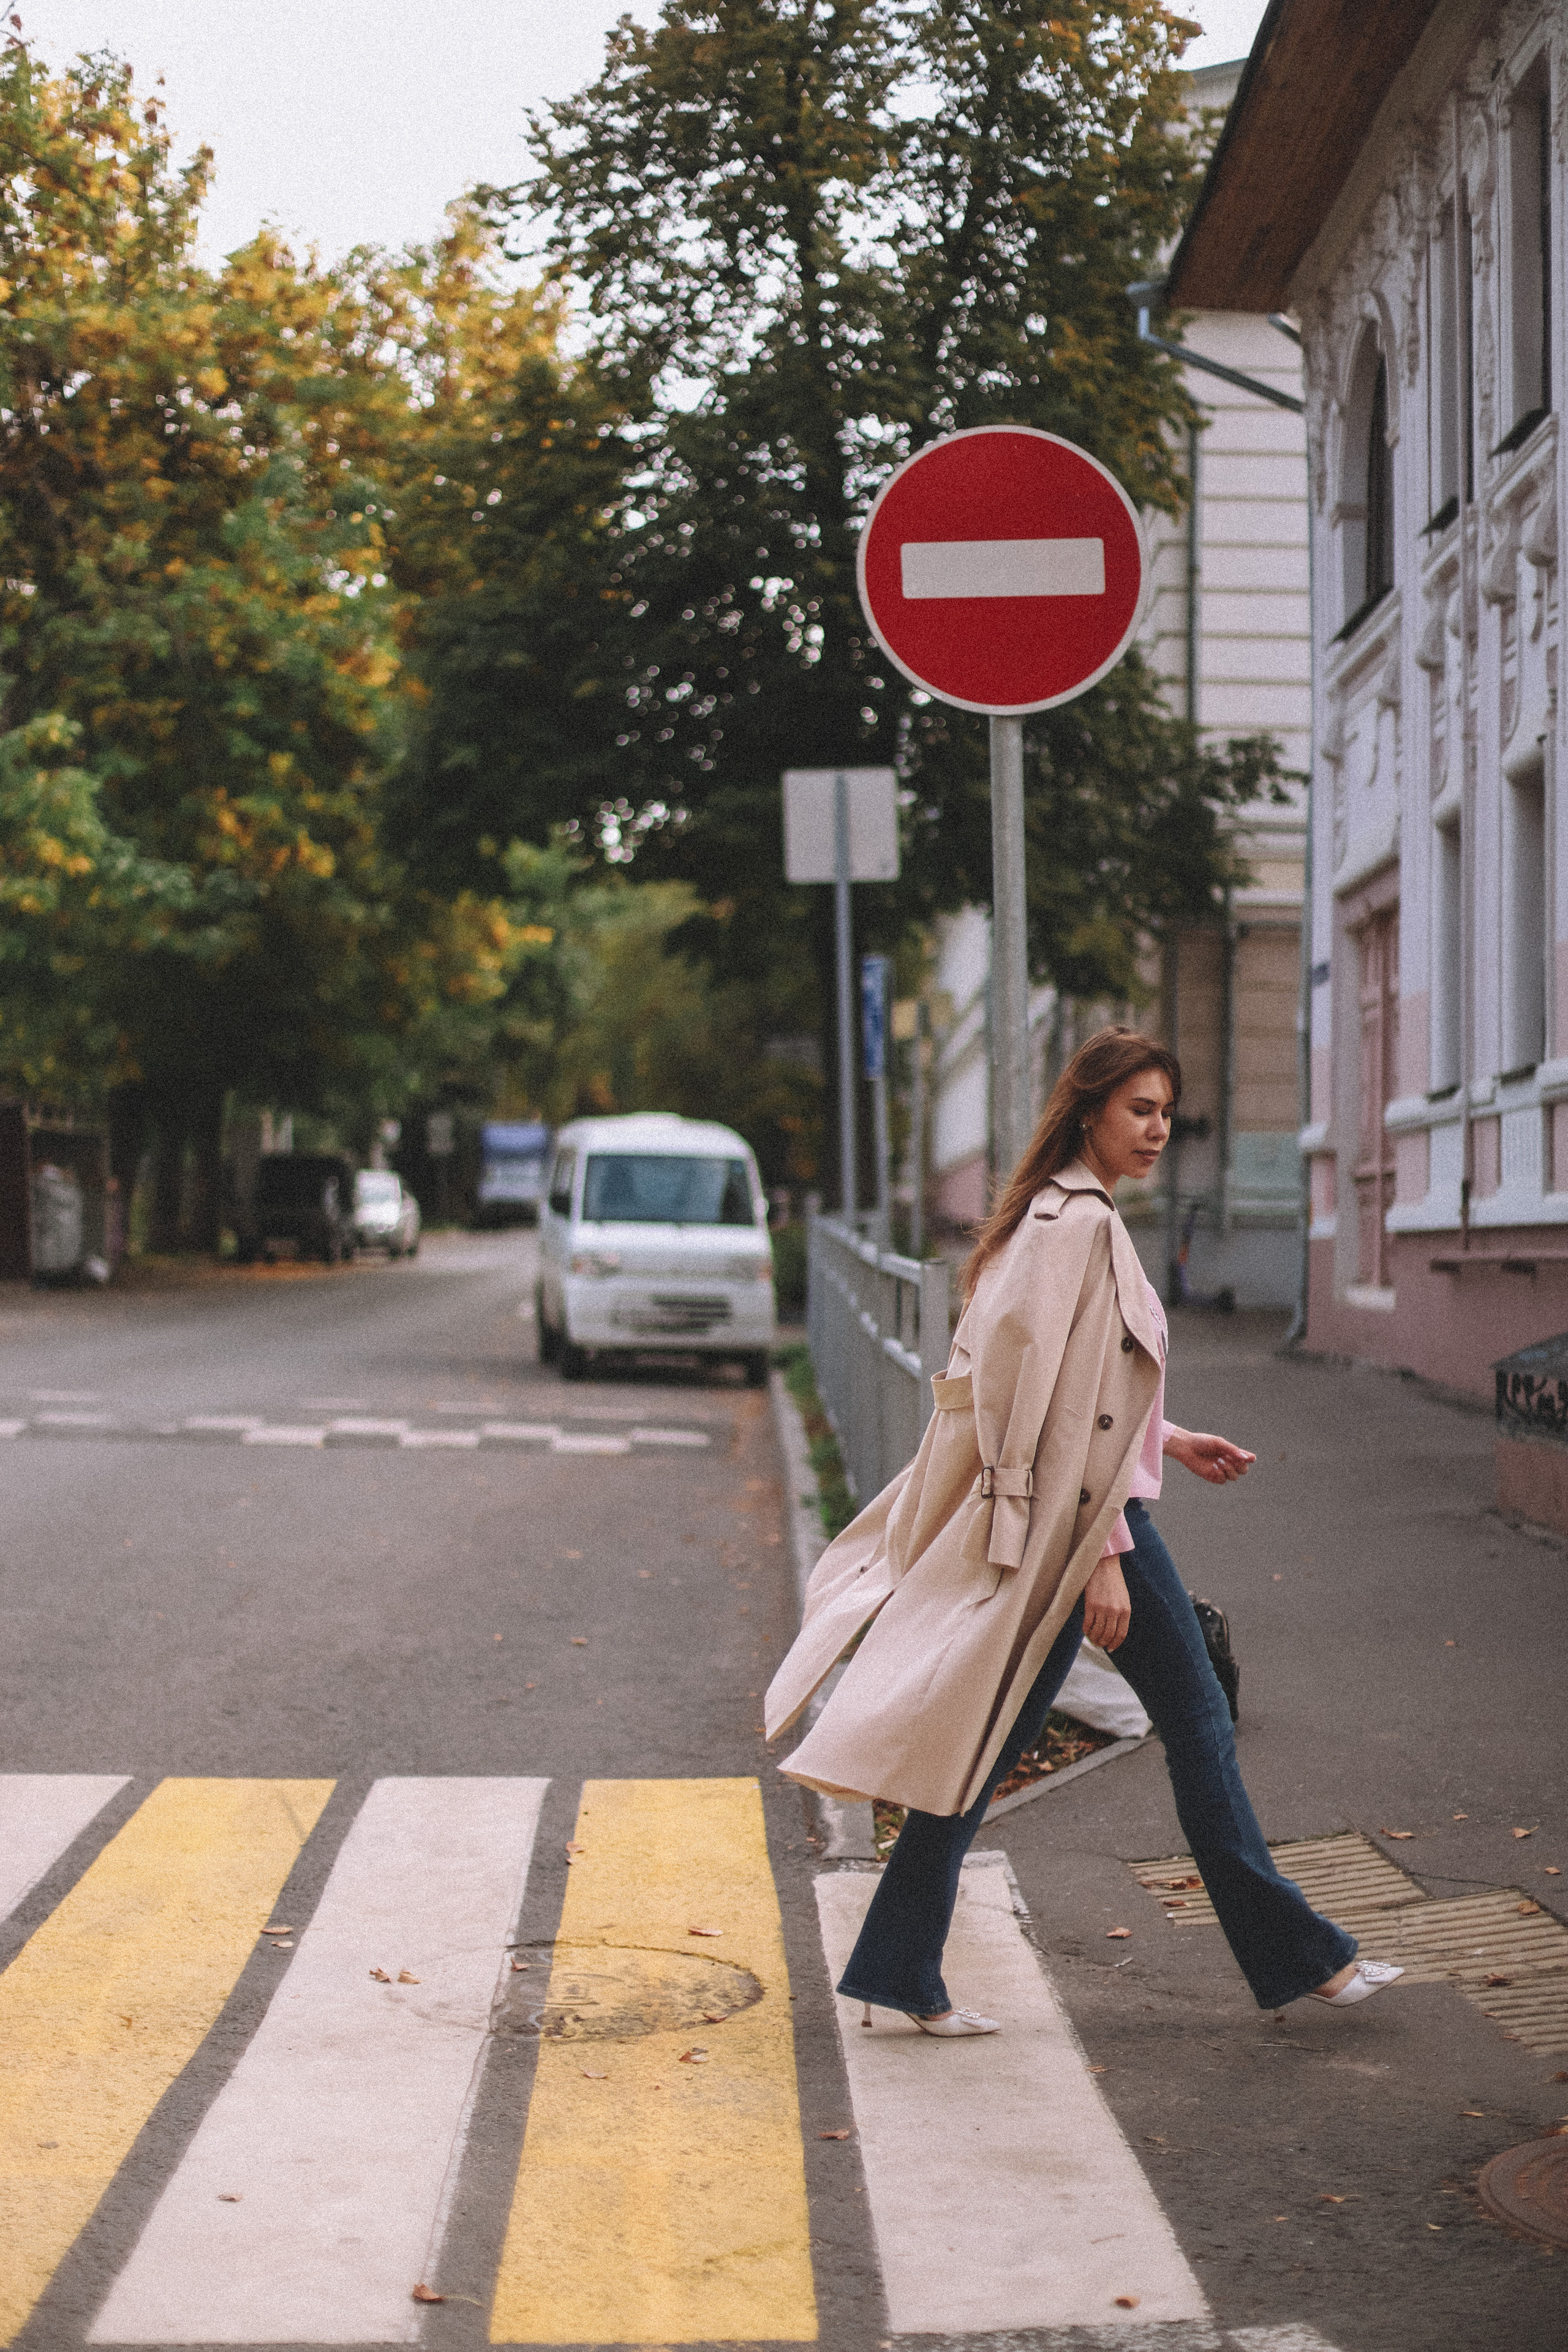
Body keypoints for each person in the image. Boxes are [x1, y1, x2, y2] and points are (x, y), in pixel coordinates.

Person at [765, 1026, 1401, 2034]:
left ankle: (897, 1967)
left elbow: (1083, 1393)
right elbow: (1047, 1411)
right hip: (1091, 1530)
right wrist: (1105, 1556)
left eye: (1165, 1112)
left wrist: (1174, 1438)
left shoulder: (1065, 1214)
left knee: (994, 1737)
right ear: (1091, 1111)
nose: (1156, 1130)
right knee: (1197, 1726)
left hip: (1084, 1517)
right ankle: (1302, 1955)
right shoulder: (1074, 1226)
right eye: (1139, 1110)